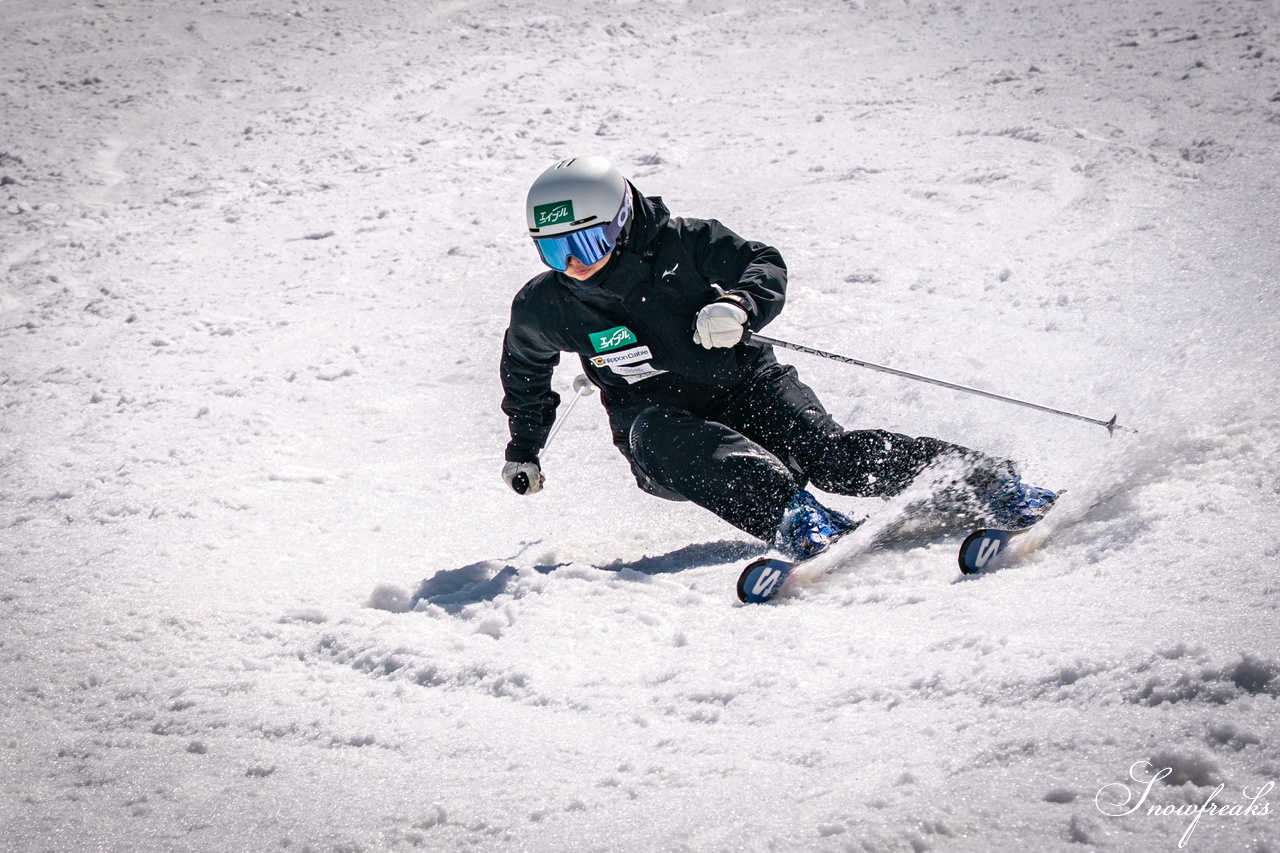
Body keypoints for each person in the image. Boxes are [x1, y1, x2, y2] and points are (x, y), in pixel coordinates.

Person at [499, 156, 1055, 559]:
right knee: (655, 430)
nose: (572, 264)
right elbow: (525, 370)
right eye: (553, 250)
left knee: (831, 457)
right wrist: (524, 448)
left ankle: (987, 482)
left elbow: (761, 262)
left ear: (622, 221)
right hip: (665, 435)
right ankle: (795, 519)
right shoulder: (547, 305)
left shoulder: (684, 243)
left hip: (748, 388)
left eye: (585, 244)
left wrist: (740, 305)